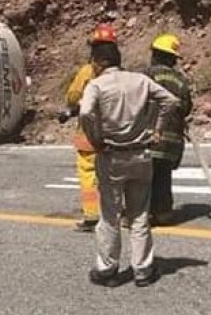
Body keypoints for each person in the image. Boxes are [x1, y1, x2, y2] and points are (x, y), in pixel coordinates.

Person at [79, 40, 180, 287]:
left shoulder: (97, 85)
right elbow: (171, 101)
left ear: (101, 62)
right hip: (141, 155)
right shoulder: (140, 80)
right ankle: (143, 269)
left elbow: (84, 113)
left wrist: (95, 138)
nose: (92, 66)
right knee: (139, 213)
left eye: (93, 61)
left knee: (110, 214)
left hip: (112, 156)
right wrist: (157, 129)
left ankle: (108, 269)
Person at [63, 23, 118, 233]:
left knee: (88, 174)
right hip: (113, 131)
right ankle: (115, 212)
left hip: (88, 135)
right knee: (112, 174)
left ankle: (92, 215)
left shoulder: (87, 71)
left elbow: (73, 96)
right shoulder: (119, 73)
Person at [145, 34, 193, 226]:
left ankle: (142, 214)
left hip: (149, 137)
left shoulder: (146, 75)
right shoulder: (181, 80)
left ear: (155, 55)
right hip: (172, 142)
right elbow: (187, 108)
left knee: (144, 179)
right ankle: (163, 213)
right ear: (173, 58)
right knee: (163, 177)